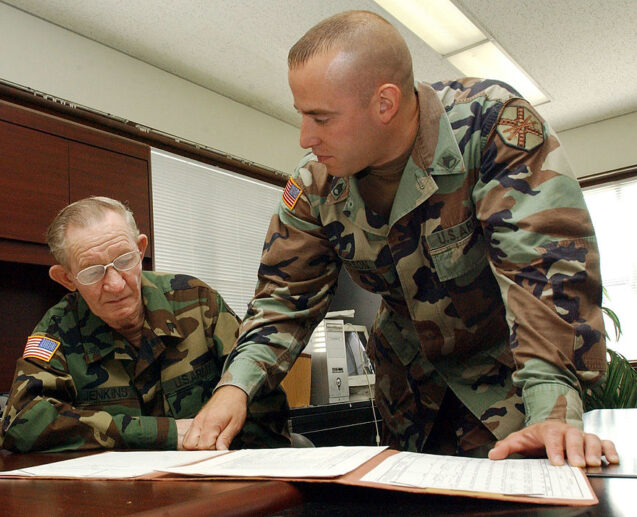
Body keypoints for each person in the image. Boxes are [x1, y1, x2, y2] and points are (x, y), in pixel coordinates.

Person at [183, 10, 620, 467]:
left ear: (385, 103)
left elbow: (544, 270)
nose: (304, 137)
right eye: (302, 116)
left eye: (321, 118)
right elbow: (283, 298)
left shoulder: (491, 127)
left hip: (512, 388)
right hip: (408, 396)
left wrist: (553, 413)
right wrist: (235, 389)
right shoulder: (313, 185)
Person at [0, 196, 290, 452]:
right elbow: (19, 422)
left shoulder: (197, 302)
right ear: (67, 278)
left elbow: (263, 399)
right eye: (92, 272)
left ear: (140, 249)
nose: (114, 284)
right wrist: (166, 435)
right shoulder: (59, 327)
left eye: (124, 260)